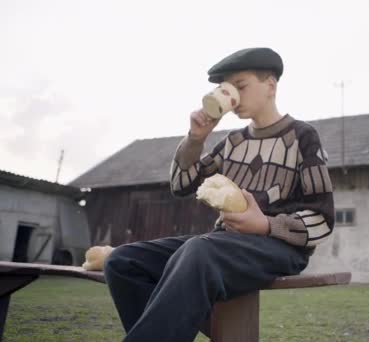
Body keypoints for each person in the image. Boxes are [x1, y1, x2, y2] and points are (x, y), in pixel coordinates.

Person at [104, 47, 335, 341]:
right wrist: (194, 139)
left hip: (279, 247)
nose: (232, 96)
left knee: (200, 250)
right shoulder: (232, 142)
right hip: (223, 244)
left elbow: (322, 217)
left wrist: (265, 224)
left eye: (240, 86)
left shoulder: (303, 136)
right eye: (225, 88)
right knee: (123, 262)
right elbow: (182, 185)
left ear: (271, 86)